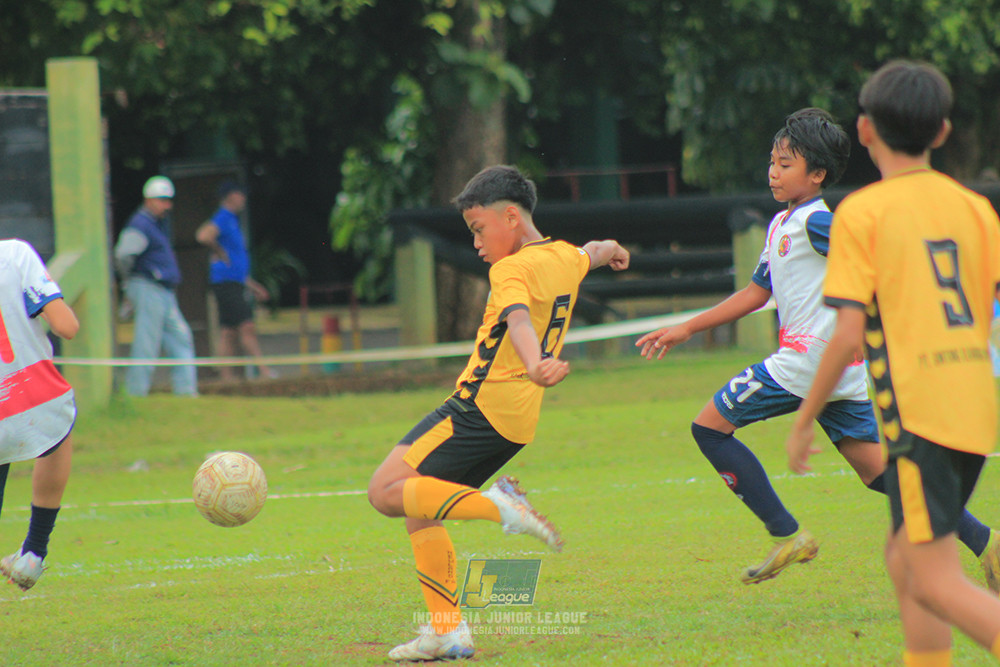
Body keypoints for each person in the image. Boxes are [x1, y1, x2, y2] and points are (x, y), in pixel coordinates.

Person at [636, 107, 999, 587]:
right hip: (838, 370)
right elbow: (755, 294)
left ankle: (787, 534)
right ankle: (988, 543)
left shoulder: (818, 222)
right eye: (772, 161)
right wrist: (687, 327)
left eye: (786, 164)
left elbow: (874, 258)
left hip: (806, 362)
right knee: (879, 475)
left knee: (708, 429)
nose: (773, 172)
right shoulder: (781, 224)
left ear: (818, 174)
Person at [367, 165, 629, 662]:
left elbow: (516, 319)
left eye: (479, 228)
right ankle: (447, 631)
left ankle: (501, 507)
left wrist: (533, 364)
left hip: (476, 408)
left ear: (511, 217)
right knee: (419, 510)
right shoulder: (564, 257)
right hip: (516, 424)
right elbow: (592, 252)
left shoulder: (509, 269)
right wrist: (613, 249)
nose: (477, 243)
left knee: (384, 492)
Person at [786, 60, 1000, 666]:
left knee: (933, 579)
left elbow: (848, 334)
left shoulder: (863, 212)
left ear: (865, 129)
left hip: (920, 413)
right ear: (942, 132)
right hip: (974, 409)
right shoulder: (976, 209)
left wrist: (804, 419)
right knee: (905, 558)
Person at [0, 239, 79, 590]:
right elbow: (67, 327)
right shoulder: (16, 254)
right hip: (33, 396)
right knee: (58, 433)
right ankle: (34, 550)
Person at [114, 175, 198, 397]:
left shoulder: (154, 224)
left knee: (181, 338)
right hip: (147, 287)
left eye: (168, 200)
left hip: (163, 291)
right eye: (162, 199)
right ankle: (136, 393)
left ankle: (186, 394)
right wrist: (128, 283)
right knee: (146, 344)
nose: (167, 205)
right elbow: (123, 255)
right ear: (149, 199)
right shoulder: (140, 223)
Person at [195, 181, 274, 381]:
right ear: (230, 196)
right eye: (240, 194)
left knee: (228, 331)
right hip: (226, 284)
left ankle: (226, 376)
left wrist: (252, 285)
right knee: (246, 326)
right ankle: (264, 372)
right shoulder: (223, 217)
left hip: (233, 282)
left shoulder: (232, 221)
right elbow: (203, 236)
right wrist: (219, 252)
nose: (244, 199)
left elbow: (236, 265)